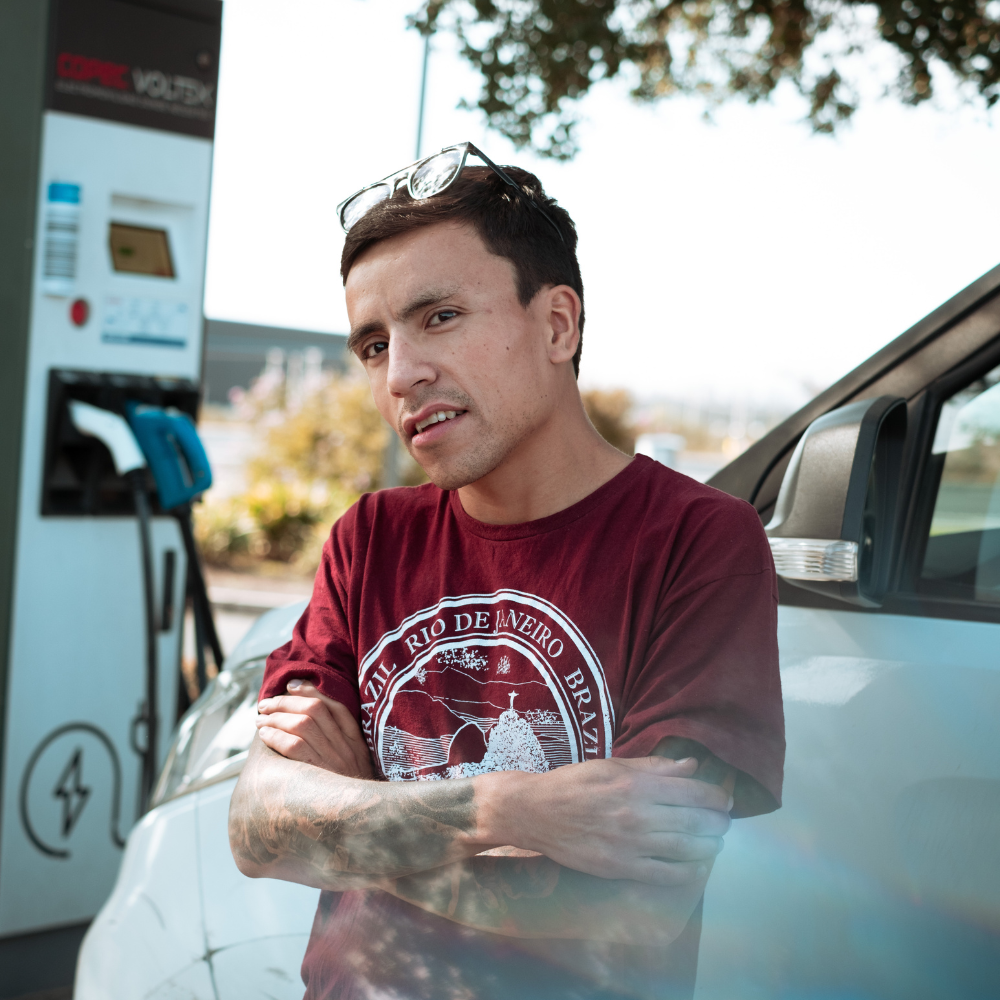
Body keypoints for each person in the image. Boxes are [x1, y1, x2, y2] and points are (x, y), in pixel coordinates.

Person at [229, 142, 784, 1000]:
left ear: (557, 324)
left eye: (439, 316)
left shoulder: (696, 540)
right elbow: (258, 829)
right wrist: (508, 810)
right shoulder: (369, 537)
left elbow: (638, 903)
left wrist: (349, 823)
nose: (402, 372)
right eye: (373, 345)